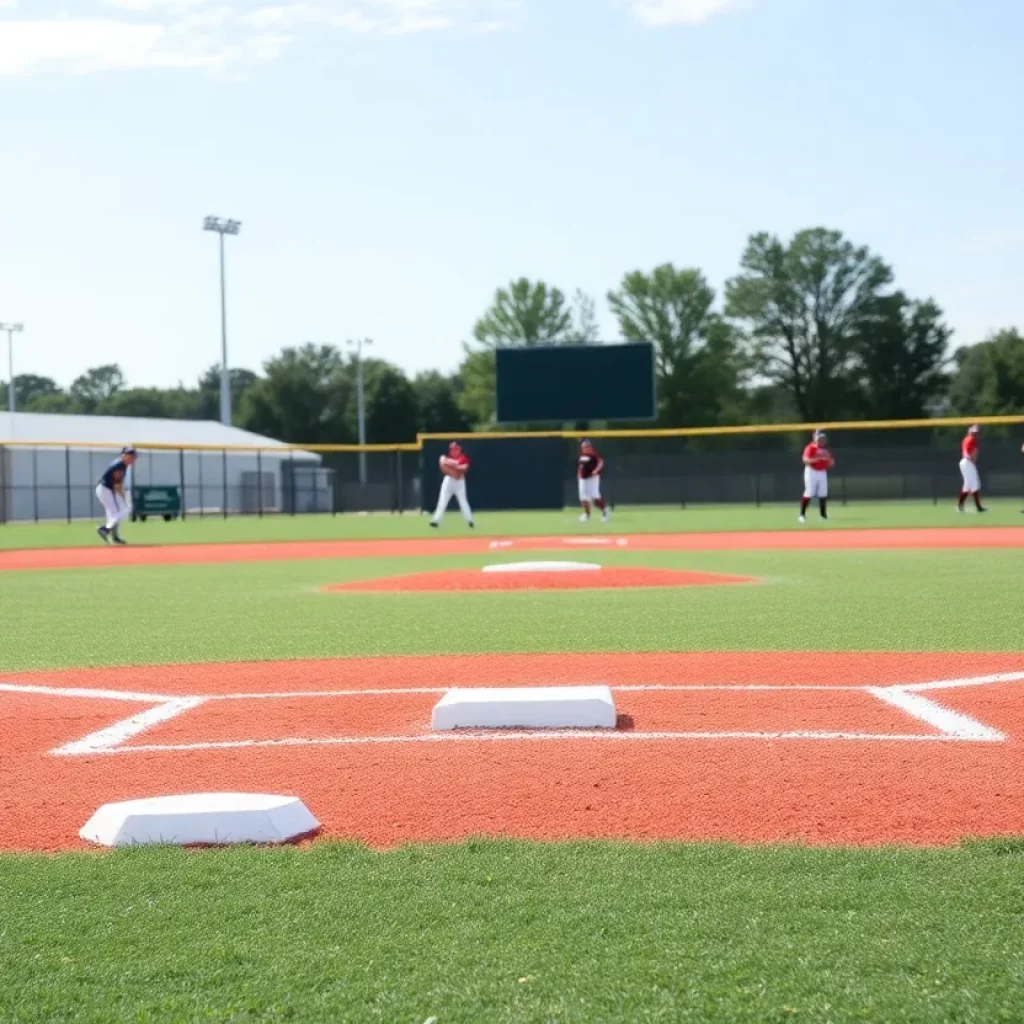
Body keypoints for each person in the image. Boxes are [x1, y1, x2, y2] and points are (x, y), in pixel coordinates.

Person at [96, 446, 137, 544]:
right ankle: (105, 529)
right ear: (124, 455)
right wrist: (123, 498)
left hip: (108, 489)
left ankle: (114, 536)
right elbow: (117, 485)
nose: (133, 458)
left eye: (134, 456)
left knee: (115, 514)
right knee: (125, 510)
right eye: (130, 456)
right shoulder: (119, 465)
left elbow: (118, 484)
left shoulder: (122, 464)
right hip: (105, 490)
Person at [430, 441, 474, 528]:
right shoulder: (448, 457)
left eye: (455, 449)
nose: (453, 451)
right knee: (442, 502)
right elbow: (442, 462)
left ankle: (470, 521)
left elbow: (463, 467)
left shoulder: (463, 458)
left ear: (459, 449)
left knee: (463, 502)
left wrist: (452, 465)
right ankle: (435, 521)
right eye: (452, 449)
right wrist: (454, 466)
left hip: (459, 483)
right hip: (448, 481)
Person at [799, 429, 833, 523]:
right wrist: (817, 459)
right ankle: (802, 514)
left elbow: (831, 463)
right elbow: (805, 460)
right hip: (811, 471)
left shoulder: (825, 450)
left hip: (822, 472)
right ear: (815, 438)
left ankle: (823, 515)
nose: (821, 440)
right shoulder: (810, 447)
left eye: (822, 438)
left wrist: (828, 461)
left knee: (823, 493)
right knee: (809, 492)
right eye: (819, 438)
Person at [577, 439, 609, 523]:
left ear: (590, 447)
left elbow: (601, 462)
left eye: (586, 447)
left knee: (595, 497)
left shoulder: (593, 455)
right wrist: (579, 474)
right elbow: (581, 467)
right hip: (583, 479)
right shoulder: (582, 456)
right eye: (583, 447)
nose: (584, 448)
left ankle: (605, 511)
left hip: (592, 478)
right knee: (583, 498)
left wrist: (595, 470)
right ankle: (587, 515)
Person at [957, 425, 986, 513]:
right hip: (968, 462)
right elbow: (973, 452)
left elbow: (967, 450)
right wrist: (972, 462)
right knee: (974, 484)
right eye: (975, 432)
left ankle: (961, 505)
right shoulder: (971, 439)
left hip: (965, 462)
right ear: (971, 432)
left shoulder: (966, 439)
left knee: (968, 485)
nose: (976, 433)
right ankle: (978, 507)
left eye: (976, 432)